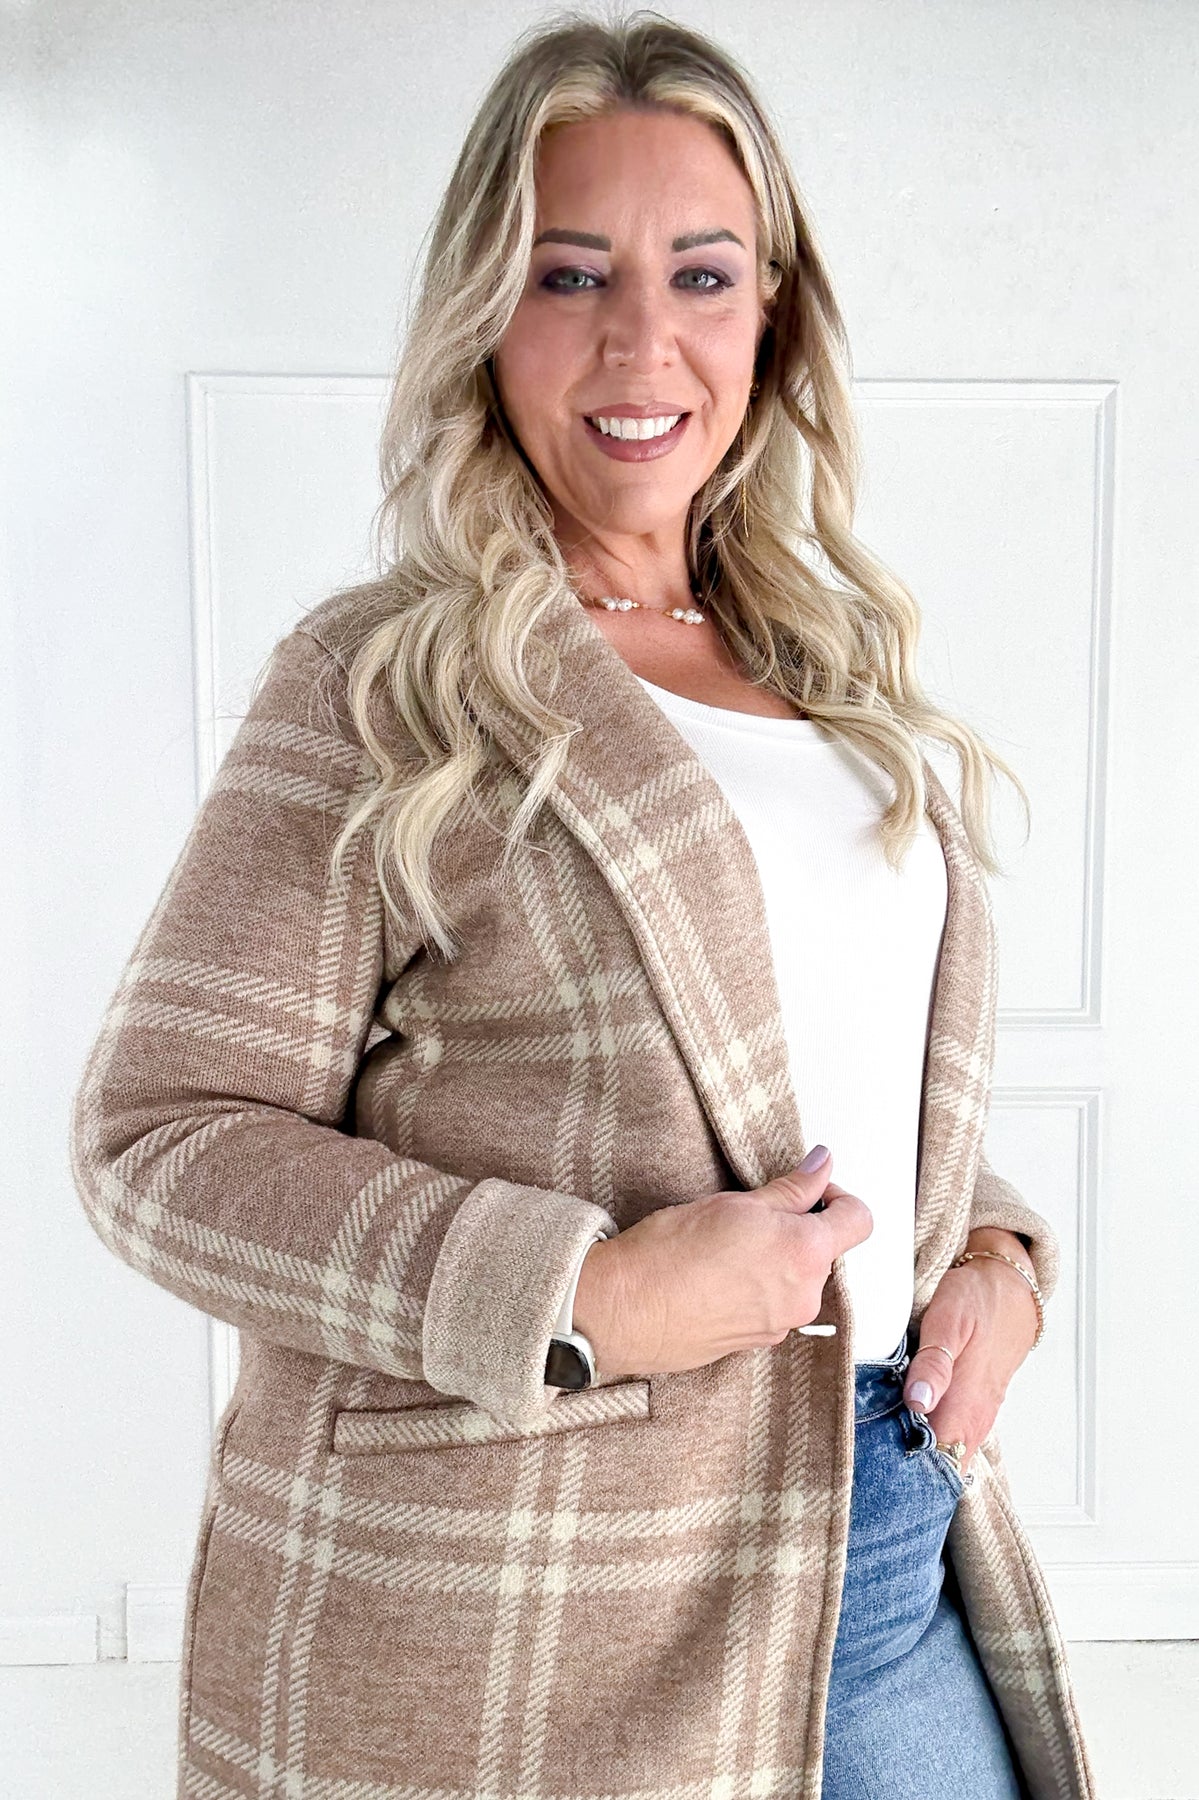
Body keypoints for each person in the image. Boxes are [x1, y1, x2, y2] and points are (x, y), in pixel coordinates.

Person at [69, 10, 1096, 1798]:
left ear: (770, 315)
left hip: (882, 1542)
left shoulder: (830, 672)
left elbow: (816, 1077)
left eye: (701, 273)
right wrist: (587, 1291)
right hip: (531, 1599)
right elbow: (159, 1139)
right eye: (570, 275)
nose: (642, 342)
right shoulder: (382, 683)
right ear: (487, 312)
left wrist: (992, 1258)